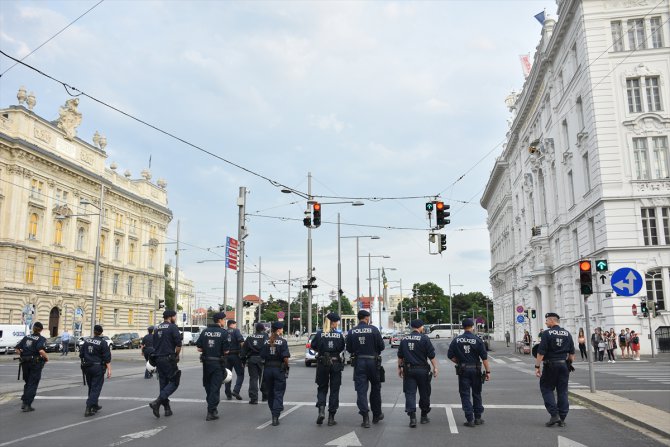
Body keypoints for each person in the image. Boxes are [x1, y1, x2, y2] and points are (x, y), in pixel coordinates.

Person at [447, 318, 490, 427]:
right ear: (472, 326)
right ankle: (478, 418)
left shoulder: (456, 340)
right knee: (476, 393)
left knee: (465, 394)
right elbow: (484, 358)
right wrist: (488, 371)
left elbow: (450, 355)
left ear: (462, 327)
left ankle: (469, 419)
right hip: (476, 370)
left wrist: (459, 361)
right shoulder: (477, 339)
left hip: (463, 369)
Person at [346, 309, 385, 428]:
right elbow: (382, 346)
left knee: (361, 390)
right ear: (367, 318)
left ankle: (365, 417)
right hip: (373, 362)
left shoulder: (352, 331)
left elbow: (349, 349)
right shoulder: (373, 329)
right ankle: (377, 414)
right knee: (375, 388)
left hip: (359, 363)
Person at [535, 312, 575, 427]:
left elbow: (541, 352)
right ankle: (562, 418)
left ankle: (554, 415)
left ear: (552, 320)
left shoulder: (547, 333)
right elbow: (572, 354)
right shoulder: (567, 334)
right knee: (562, 391)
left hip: (550, 365)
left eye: (547, 320)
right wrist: (569, 364)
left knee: (546, 388)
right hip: (563, 365)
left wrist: (537, 367)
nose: (546, 322)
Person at [398, 319, 438, 427]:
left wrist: (399, 368)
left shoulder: (404, 339)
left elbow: (400, 356)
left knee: (410, 393)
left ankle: (412, 418)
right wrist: (435, 367)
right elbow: (431, 355)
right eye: (422, 327)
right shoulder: (424, 338)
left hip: (409, 370)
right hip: (422, 370)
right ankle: (424, 416)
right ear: (420, 327)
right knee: (424, 393)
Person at [312, 312, 346, 426]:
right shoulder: (339, 334)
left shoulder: (319, 333)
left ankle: (321, 411)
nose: (337, 324)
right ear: (333, 322)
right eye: (337, 322)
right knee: (334, 390)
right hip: (335, 363)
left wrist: (322, 352)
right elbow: (342, 347)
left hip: (322, 363)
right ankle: (331, 417)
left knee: (322, 388)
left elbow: (313, 346)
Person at [196, 312, 229, 421]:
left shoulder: (205, 331)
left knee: (208, 386)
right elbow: (226, 351)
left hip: (206, 363)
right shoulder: (223, 333)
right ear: (220, 320)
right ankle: (211, 411)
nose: (225, 322)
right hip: (217, 363)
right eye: (224, 320)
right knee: (215, 387)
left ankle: (212, 407)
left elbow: (199, 348)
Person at [149, 310, 182, 418]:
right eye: (175, 316)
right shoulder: (173, 327)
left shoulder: (156, 328)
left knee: (163, 384)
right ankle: (157, 402)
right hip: (168, 359)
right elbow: (178, 344)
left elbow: (154, 344)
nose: (175, 318)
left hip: (158, 359)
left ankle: (167, 409)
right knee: (174, 382)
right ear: (171, 317)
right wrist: (177, 355)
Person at [260, 321, 290, 426]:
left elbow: (262, 356)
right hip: (278, 369)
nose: (282, 330)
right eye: (282, 329)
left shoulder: (265, 341)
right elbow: (285, 357)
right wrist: (287, 366)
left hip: (268, 369)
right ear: (278, 330)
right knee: (279, 392)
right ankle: (275, 416)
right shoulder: (283, 341)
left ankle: (273, 411)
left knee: (270, 393)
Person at [15, 321, 48, 412]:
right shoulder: (41, 339)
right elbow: (41, 350)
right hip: (35, 363)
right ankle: (27, 404)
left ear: (33, 328)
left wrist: (23, 355)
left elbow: (17, 348)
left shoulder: (26, 337)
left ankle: (24, 401)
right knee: (32, 383)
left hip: (25, 362)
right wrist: (46, 358)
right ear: (41, 330)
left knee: (27, 382)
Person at [80, 325, 112, 416]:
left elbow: (81, 354)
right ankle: (89, 407)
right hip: (97, 368)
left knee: (91, 387)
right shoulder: (103, 343)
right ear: (101, 332)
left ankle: (94, 404)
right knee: (96, 388)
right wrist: (109, 369)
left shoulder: (87, 341)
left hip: (87, 367)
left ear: (94, 331)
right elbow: (107, 358)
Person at [241, 323, 268, 405]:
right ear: (263, 329)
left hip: (252, 359)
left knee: (253, 379)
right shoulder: (265, 337)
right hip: (262, 360)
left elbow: (244, 350)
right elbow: (268, 348)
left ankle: (253, 398)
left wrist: (243, 361)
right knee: (263, 378)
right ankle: (265, 396)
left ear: (256, 329)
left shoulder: (249, 337)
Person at [224, 319, 245, 400]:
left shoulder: (224, 331)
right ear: (232, 324)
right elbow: (241, 342)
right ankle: (236, 390)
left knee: (228, 374)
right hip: (236, 355)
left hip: (226, 356)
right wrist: (243, 353)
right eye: (235, 324)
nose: (235, 326)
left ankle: (228, 394)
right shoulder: (236, 331)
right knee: (240, 374)